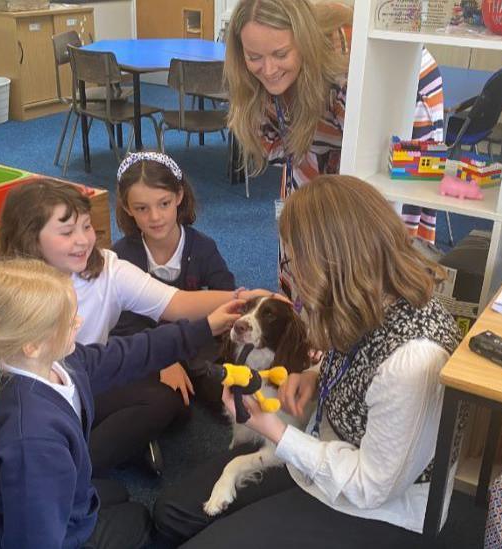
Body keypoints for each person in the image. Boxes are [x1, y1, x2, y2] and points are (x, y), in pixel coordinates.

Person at [153, 175, 462, 548]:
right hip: (323, 451)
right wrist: (315, 375)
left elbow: (370, 487)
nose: (291, 272)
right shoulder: (365, 300)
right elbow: (356, 366)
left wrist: (275, 431)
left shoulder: (414, 362)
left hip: (376, 510)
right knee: (170, 514)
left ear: (336, 263)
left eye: (296, 260)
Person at [0, 178, 271, 479]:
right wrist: (50, 418)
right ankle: (84, 456)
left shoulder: (107, 268)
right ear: (31, 237)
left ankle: (69, 468)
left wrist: (242, 299)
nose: (83, 240)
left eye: (86, 227)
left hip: (89, 381)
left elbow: (178, 302)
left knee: (167, 401)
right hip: (28, 402)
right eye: (67, 232)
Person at [0, 258, 241, 548]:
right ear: (32, 345)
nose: (79, 321)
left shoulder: (61, 362)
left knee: (118, 495)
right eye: (68, 320)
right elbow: (35, 538)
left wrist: (205, 327)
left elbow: (132, 353)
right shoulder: (32, 440)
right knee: (138, 521)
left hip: (59, 497)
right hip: (41, 531)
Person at [224, 0, 446, 298]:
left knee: (369, 250)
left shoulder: (349, 79)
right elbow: (291, 160)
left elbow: (373, 198)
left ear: (304, 42)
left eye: (280, 54)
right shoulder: (259, 81)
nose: (268, 69)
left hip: (394, 91)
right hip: (318, 105)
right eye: (254, 57)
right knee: (305, 221)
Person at [110, 152, 237, 407]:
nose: (155, 217)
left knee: (228, 393)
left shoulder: (202, 247)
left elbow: (225, 295)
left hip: (195, 344)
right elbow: (123, 325)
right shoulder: (121, 256)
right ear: (127, 208)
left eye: (164, 203)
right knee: (168, 404)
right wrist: (163, 359)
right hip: (145, 348)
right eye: (142, 208)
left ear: (179, 196)